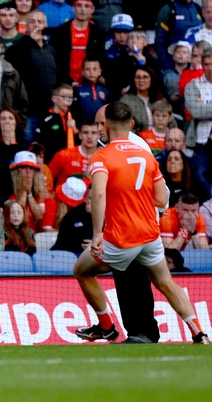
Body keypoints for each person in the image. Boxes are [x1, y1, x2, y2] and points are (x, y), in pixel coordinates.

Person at [73, 102, 210, 344]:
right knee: (164, 280)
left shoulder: (102, 156)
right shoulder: (145, 153)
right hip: (150, 233)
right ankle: (199, 332)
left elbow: (100, 194)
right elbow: (161, 196)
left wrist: (98, 233)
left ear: (108, 123)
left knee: (82, 271)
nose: (97, 128)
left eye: (99, 123)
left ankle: (111, 328)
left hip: (124, 234)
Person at [48, 118, 99, 189]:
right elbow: (46, 180)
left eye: (93, 133)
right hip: (64, 199)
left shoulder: (103, 159)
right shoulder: (64, 155)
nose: (89, 137)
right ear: (80, 135)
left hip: (91, 199)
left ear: (99, 136)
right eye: (85, 132)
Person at [52, 183, 93, 254]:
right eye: (89, 198)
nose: (91, 202)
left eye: (95, 199)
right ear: (85, 198)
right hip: (64, 255)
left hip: (87, 255)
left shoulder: (108, 216)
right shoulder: (73, 215)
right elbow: (83, 241)